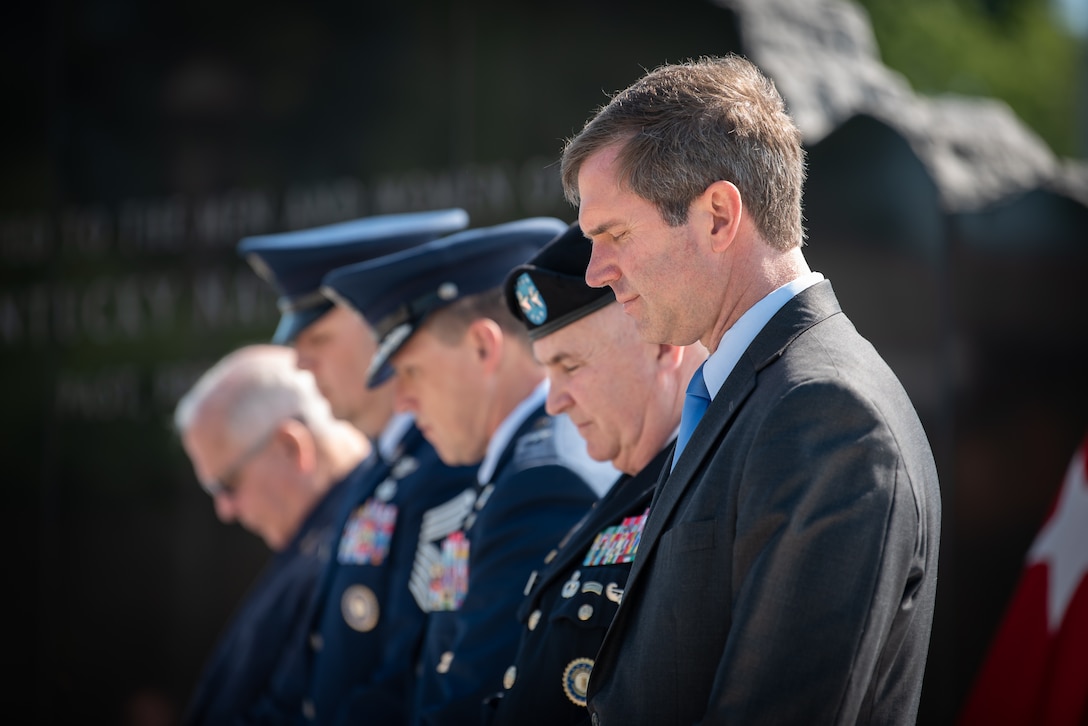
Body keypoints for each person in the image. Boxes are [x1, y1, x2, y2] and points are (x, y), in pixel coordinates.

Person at [560, 54, 943, 725]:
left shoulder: (828, 414)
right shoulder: (758, 395)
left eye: (614, 234)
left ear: (716, 216)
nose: (596, 273)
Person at [321, 217, 618, 725]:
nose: (405, 402)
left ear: (484, 347)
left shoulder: (540, 483)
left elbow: (473, 701)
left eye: (412, 371)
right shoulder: (505, 471)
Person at [237, 210, 480, 725]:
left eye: (318, 341)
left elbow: (406, 676)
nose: (300, 365)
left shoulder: (446, 464)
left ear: (381, 328)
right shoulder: (380, 468)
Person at [480, 221, 707, 724]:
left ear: (661, 346)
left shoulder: (707, 487)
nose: (554, 402)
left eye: (571, 366)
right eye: (548, 372)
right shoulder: (635, 484)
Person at [174, 344, 368, 725]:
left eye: (227, 484)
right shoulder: (323, 538)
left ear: (289, 446)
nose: (225, 511)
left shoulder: (354, 546)